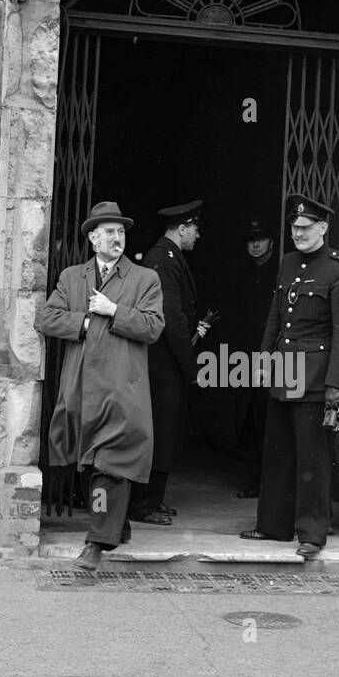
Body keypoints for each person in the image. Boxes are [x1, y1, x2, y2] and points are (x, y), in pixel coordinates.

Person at [35, 201, 164, 571]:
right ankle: (115, 524)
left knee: (112, 461)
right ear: (92, 237)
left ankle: (96, 542)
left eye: (121, 232)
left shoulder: (144, 279)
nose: (116, 238)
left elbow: (153, 327)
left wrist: (114, 311)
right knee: (92, 464)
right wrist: (87, 324)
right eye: (109, 232)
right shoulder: (72, 278)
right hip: (81, 388)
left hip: (122, 387)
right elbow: (47, 317)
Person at [240, 194, 339, 560]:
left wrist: (335, 387)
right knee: (277, 452)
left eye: (306, 228)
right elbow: (276, 318)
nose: (299, 233)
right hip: (283, 373)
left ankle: (311, 534)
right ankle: (273, 524)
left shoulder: (338, 270)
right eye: (294, 228)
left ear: (323, 228)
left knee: (312, 459)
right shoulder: (288, 263)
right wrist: (262, 361)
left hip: (315, 379)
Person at [129, 200, 209, 524]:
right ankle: (143, 505)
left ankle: (153, 500)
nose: (198, 236)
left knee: (167, 431)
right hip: (162, 365)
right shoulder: (163, 259)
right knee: (160, 433)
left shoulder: (170, 258)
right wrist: (191, 368)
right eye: (196, 229)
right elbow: (172, 321)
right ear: (182, 227)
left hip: (165, 364)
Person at [231, 218, 278, 498]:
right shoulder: (243, 273)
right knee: (248, 418)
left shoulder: (279, 272)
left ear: (271, 241)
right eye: (251, 240)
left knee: (268, 417)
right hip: (245, 356)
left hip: (273, 356)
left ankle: (269, 483)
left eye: (261, 239)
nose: (256, 245)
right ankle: (254, 479)